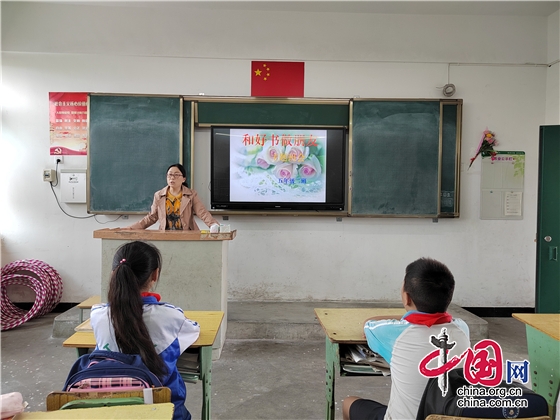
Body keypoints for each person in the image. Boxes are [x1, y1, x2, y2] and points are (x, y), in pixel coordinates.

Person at [342, 257, 471, 420]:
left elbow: (368, 324)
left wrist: (407, 317)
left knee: (348, 403)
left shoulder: (392, 332)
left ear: (407, 298)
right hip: (448, 416)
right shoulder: (462, 329)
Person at [90, 241, 201, 420]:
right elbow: (194, 330)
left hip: (109, 411)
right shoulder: (171, 316)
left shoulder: (97, 315)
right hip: (163, 410)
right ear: (154, 275)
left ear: (114, 274)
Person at [128, 163, 219, 232]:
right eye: (170, 175)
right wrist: (131, 228)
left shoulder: (191, 194)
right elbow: (152, 217)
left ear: (183, 179)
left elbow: (202, 213)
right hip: (165, 235)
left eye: (176, 175)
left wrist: (213, 225)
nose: (172, 178)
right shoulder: (159, 195)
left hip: (188, 235)